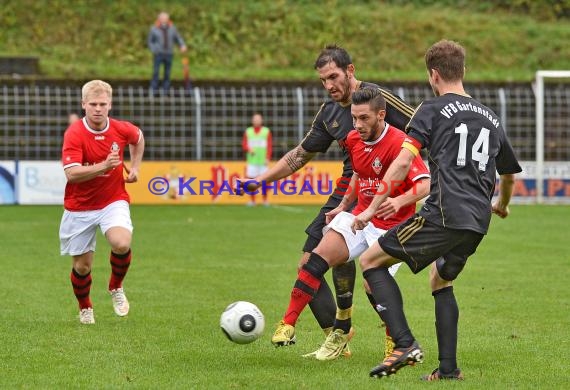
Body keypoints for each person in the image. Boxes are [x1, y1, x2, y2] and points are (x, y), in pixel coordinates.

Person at [350, 40, 522, 380]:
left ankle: (403, 343)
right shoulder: (491, 117)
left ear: (433, 75)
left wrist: (370, 210)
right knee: (440, 279)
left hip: (444, 212)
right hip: (477, 222)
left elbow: (402, 162)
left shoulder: (431, 109)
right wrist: (501, 205)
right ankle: (447, 371)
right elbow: (509, 175)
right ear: (462, 72)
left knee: (370, 261)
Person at [243, 44, 415, 357]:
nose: (329, 85)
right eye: (323, 80)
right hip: (349, 190)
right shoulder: (329, 113)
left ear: (351, 71)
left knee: (367, 275)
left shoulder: (378, 100)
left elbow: (423, 132)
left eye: (333, 76)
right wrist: (260, 181)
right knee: (309, 263)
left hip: (385, 194)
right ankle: (339, 334)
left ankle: (393, 340)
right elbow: (299, 155)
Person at [271, 87, 430, 361]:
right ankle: (288, 323)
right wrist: (343, 206)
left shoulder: (401, 143)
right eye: (354, 118)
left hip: (391, 228)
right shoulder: (354, 138)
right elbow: (358, 174)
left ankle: (396, 341)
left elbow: (426, 184)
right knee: (317, 257)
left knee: (372, 286)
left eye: (364, 118)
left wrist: (400, 201)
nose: (357, 125)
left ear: (381, 115)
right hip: (359, 217)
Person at [59, 80, 145, 324]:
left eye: (103, 104)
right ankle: (85, 306)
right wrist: (104, 166)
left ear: (110, 105)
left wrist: (136, 167)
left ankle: (115, 287)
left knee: (121, 242)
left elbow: (138, 138)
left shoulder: (120, 128)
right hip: (79, 206)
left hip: (112, 200)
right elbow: (72, 173)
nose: (98, 108)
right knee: (83, 267)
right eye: (93, 104)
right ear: (83, 104)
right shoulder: (74, 133)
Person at [147, 11, 187, 94]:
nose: (163, 19)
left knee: (167, 73)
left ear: (168, 19)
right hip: (158, 54)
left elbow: (178, 38)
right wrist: (154, 49)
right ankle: (153, 90)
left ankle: (165, 91)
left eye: (165, 18)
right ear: (159, 19)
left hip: (169, 54)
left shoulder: (172, 28)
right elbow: (150, 41)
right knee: (156, 72)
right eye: (162, 18)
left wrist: (182, 45)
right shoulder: (154, 28)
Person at [242, 113, 272, 206]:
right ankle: (252, 200)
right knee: (251, 181)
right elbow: (244, 144)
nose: (257, 121)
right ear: (252, 121)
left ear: (261, 120)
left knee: (264, 181)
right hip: (252, 161)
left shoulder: (266, 131)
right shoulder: (248, 131)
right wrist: (248, 149)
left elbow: (269, 146)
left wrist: (267, 158)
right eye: (255, 119)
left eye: (258, 119)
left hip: (263, 161)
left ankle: (265, 200)